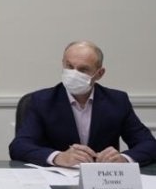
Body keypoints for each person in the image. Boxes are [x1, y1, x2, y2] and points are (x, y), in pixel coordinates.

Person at [9, 40, 156, 167]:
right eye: (69, 66)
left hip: (103, 182)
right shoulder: (42, 101)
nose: (74, 74)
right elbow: (19, 146)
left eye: (83, 69)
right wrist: (58, 157)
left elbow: (149, 144)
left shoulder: (117, 101)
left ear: (99, 74)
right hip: (57, 180)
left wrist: (124, 158)